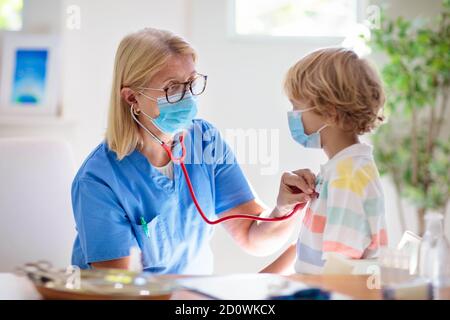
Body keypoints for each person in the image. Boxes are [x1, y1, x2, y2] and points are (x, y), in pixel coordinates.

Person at [70, 27, 315, 274]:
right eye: (172, 88)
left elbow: (252, 236)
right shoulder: (98, 180)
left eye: (191, 83)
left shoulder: (204, 141)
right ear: (132, 98)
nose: (187, 97)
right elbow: (118, 288)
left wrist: (284, 208)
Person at [262, 48, 388, 274]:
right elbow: (316, 254)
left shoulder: (347, 178)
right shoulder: (341, 170)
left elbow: (338, 270)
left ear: (330, 112)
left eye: (296, 107)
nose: (293, 115)